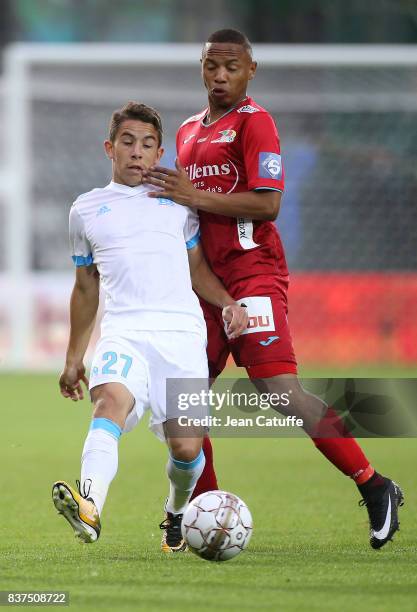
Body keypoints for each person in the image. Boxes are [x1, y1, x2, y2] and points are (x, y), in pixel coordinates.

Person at [144, 29, 404, 550]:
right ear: (201, 67)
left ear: (250, 71)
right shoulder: (189, 131)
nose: (220, 75)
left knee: (279, 391)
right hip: (208, 284)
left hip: (255, 273)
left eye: (231, 66)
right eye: (212, 65)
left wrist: (195, 194)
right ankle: (203, 513)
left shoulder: (256, 122)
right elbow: (192, 216)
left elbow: (268, 205)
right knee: (186, 402)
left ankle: (374, 485)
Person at [52, 101, 248, 552]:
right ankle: (90, 506)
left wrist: (226, 301)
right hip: (124, 333)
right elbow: (85, 289)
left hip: (181, 336)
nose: (137, 152)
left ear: (159, 153)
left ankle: (176, 515)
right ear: (109, 148)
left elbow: (197, 269)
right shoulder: (85, 210)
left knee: (185, 448)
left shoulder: (177, 204)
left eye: (146, 145)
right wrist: (73, 359)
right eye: (127, 142)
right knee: (109, 406)